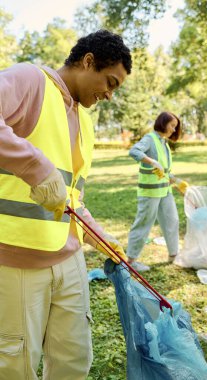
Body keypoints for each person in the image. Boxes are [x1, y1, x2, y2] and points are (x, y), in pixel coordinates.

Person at [0, 29, 132, 379]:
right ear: (88, 61)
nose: (109, 94)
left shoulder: (84, 124)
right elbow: (42, 174)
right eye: (111, 81)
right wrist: (34, 166)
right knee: (15, 366)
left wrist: (101, 239)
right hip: (16, 262)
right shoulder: (31, 80)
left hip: (70, 259)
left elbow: (71, 199)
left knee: (74, 359)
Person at [126, 111, 188, 272]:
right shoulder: (150, 139)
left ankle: (174, 255)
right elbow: (134, 151)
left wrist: (178, 182)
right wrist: (151, 161)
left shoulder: (163, 142)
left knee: (172, 221)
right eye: (172, 125)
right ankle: (131, 261)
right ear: (163, 123)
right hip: (150, 192)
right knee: (143, 224)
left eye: (176, 127)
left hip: (164, 191)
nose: (174, 130)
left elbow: (164, 170)